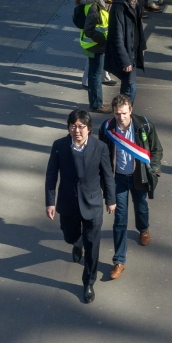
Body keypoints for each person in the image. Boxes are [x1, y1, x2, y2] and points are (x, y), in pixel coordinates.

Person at [45, 109, 116, 303]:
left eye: (81, 127)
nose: (77, 130)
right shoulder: (59, 146)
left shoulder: (100, 147)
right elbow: (51, 175)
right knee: (70, 236)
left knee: (93, 246)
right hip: (68, 203)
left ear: (89, 129)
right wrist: (50, 201)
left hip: (92, 204)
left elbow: (107, 175)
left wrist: (111, 199)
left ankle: (88, 282)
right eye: (73, 126)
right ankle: (77, 244)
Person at [98, 94, 163, 280]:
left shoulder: (144, 125)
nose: (121, 118)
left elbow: (157, 149)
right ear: (113, 112)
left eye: (124, 113)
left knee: (141, 207)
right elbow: (102, 154)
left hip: (138, 176)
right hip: (117, 179)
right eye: (117, 114)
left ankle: (144, 228)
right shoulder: (107, 128)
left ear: (131, 110)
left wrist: (155, 170)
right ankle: (119, 261)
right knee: (119, 219)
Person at [104, 0, 147, 105]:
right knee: (130, 87)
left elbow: (138, 27)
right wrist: (125, 60)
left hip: (132, 50)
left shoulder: (137, 4)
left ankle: (124, 112)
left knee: (129, 85)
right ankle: (125, 112)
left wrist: (142, 45)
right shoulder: (118, 8)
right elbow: (116, 36)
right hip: (126, 53)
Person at [75, 0, 111, 113]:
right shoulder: (94, 7)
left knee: (93, 73)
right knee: (95, 74)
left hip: (92, 44)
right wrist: (103, 39)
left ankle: (97, 100)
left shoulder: (92, 3)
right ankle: (96, 104)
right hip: (95, 45)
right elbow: (90, 30)